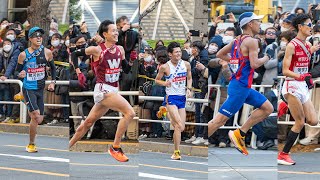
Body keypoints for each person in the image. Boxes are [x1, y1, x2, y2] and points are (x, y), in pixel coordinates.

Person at [69, 20, 136, 162]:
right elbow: (74, 54)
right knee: (130, 113)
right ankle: (115, 147)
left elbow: (126, 70)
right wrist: (79, 72)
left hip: (113, 90)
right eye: (113, 31)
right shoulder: (97, 49)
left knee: (87, 123)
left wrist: (131, 61)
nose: (116, 33)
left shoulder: (120, 49)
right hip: (103, 89)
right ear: (105, 34)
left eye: (116, 30)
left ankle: (68, 146)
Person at [208, 12, 274, 155]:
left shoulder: (237, 39)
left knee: (267, 108)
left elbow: (219, 54)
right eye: (258, 21)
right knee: (219, 121)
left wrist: (236, 60)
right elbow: (255, 64)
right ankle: (202, 139)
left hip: (242, 86)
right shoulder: (252, 41)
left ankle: (240, 133)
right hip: (240, 88)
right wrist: (267, 57)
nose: (260, 24)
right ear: (250, 24)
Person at [278, 14, 319, 165]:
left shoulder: (308, 45)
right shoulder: (291, 45)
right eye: (309, 24)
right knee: (300, 122)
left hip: (302, 85)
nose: (311, 27)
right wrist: (301, 77)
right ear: (300, 27)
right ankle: (283, 154)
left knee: (313, 121)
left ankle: (285, 104)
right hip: (292, 84)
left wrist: (313, 50)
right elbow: (285, 71)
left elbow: (304, 61)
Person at [15, 27, 56, 152]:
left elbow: (53, 68)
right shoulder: (23, 55)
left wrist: (52, 83)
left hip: (40, 88)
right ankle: (31, 145)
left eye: (40, 36)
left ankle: (24, 100)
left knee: (39, 119)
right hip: (28, 88)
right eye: (35, 36)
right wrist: (20, 74)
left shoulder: (47, 52)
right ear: (30, 39)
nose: (39, 38)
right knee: (36, 115)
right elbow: (17, 71)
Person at [155, 42, 192, 160]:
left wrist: (189, 89)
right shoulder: (165, 67)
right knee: (178, 123)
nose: (179, 54)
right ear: (170, 54)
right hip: (171, 98)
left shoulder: (186, 64)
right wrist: (165, 83)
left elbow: (189, 78)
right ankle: (177, 152)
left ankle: (176, 152)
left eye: (180, 51)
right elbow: (157, 80)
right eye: (176, 52)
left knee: (180, 127)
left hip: (182, 98)